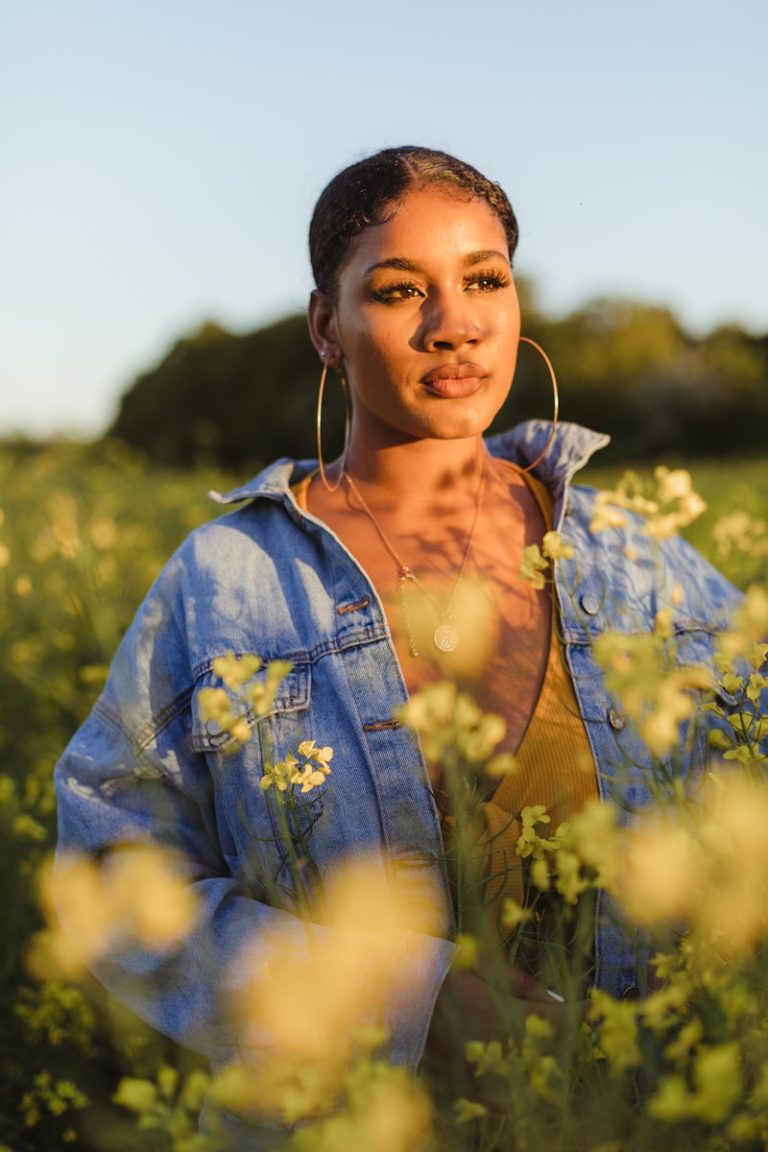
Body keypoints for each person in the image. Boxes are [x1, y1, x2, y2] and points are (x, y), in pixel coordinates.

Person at [54, 146, 743, 1143]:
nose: (454, 323)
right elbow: (111, 880)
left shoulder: (635, 558)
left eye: (484, 279)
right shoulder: (228, 580)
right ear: (325, 325)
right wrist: (398, 1004)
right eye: (399, 288)